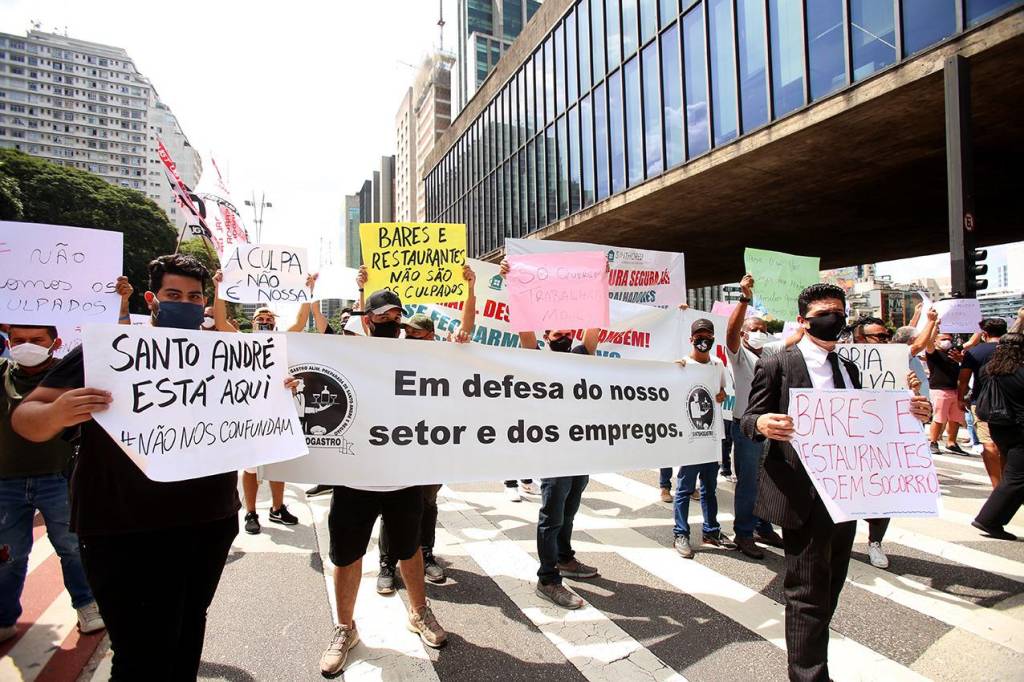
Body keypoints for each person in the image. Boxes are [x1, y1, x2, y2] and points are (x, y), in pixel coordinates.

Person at [11, 254, 298, 678]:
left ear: (205, 303)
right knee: (140, 656)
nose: (185, 302)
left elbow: (252, 424)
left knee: (186, 636)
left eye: (194, 296)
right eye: (173, 294)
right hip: (123, 527)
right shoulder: (107, 350)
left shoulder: (230, 354)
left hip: (208, 521)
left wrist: (275, 392)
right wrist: (60, 412)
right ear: (153, 298)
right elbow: (26, 419)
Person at [741, 283, 931, 682]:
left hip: (846, 493)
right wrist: (762, 423)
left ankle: (810, 656)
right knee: (806, 593)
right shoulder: (778, 363)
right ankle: (809, 675)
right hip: (802, 493)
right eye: (824, 314)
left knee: (832, 584)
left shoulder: (849, 368)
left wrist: (910, 412)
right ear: (803, 321)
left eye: (839, 314)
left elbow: (867, 421)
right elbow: (748, 420)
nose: (834, 321)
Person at [319, 284, 448, 677]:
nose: (393, 322)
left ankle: (419, 612)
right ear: (367, 320)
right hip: (354, 478)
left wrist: (461, 345)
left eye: (397, 317)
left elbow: (458, 378)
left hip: (403, 476)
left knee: (410, 551)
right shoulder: (345, 354)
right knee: (346, 555)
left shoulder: (419, 357)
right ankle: (345, 629)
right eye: (384, 316)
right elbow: (311, 359)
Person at [499, 258, 602, 611]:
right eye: (555, 332)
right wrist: (515, 286)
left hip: (581, 450)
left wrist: (596, 283)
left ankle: (565, 557)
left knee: (570, 510)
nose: (563, 335)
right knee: (552, 514)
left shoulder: (581, 355)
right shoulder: (535, 358)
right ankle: (548, 578)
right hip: (553, 451)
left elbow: (594, 327)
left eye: (566, 331)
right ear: (546, 337)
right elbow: (524, 329)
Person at [0, 324, 106, 642]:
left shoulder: (70, 373)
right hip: (6, 482)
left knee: (72, 546)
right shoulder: (4, 373)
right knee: (9, 554)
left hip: (58, 477)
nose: (26, 346)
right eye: (18, 340)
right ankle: (4, 616)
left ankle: (87, 604)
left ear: (54, 343)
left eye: (36, 340)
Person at [377, 264, 477, 594]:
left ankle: (427, 553)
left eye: (414, 333)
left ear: (430, 336)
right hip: (398, 444)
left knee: (428, 504)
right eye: (404, 331)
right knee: (393, 504)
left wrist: (470, 290)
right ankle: (387, 563)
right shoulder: (394, 352)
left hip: (432, 445)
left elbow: (467, 328)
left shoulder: (443, 355)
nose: (406, 335)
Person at [213, 276, 313, 535]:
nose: (266, 320)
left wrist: (307, 291)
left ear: (275, 322)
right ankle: (251, 511)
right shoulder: (242, 340)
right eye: (261, 317)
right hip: (250, 413)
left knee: (278, 463)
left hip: (278, 412)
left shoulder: (281, 340)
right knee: (250, 467)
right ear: (252, 322)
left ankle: (277, 508)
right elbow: (221, 322)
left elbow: (301, 322)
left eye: (270, 317)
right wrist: (219, 289)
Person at [722, 273, 794, 559]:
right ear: (744, 333)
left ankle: (764, 527)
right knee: (749, 482)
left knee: (770, 479)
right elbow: (730, 332)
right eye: (754, 328)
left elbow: (798, 337)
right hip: (747, 429)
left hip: (773, 429)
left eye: (764, 328)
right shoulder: (739, 355)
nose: (760, 332)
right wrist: (744, 299)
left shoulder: (773, 354)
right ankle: (743, 533)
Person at [850, 315, 928, 570]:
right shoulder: (837, 363)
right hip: (846, 441)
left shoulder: (898, 364)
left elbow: (915, 408)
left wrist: (915, 393)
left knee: (882, 494)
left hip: (883, 441)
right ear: (859, 339)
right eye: (879, 337)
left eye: (887, 336)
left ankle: (875, 542)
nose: (886, 340)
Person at [671, 318, 734, 559]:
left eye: (708, 336)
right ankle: (681, 533)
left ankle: (711, 530)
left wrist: (720, 395)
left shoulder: (718, 365)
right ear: (691, 339)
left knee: (710, 488)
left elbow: (721, 391)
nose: (703, 340)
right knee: (685, 488)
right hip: (690, 440)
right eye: (699, 336)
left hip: (712, 437)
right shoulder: (681, 366)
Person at [972, 329, 1024, 540]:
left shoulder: (989, 369)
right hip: (1020, 428)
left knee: (1015, 475)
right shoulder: (1019, 372)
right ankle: (989, 519)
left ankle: (992, 519)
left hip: (999, 426)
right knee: (1015, 478)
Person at [958, 318, 1009, 487]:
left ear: (985, 334)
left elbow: (963, 379)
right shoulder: (1014, 350)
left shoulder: (975, 352)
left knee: (989, 445)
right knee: (1008, 445)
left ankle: (997, 486)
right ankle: (1008, 484)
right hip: (1011, 402)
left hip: (982, 402)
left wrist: (960, 398)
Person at [926, 328, 969, 456]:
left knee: (956, 418)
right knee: (939, 418)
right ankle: (933, 442)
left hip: (955, 390)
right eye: (943, 339)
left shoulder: (954, 352)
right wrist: (933, 325)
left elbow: (970, 343)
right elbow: (928, 342)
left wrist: (978, 327)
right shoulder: (933, 353)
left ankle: (951, 443)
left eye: (949, 339)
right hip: (940, 390)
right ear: (936, 341)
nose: (947, 342)